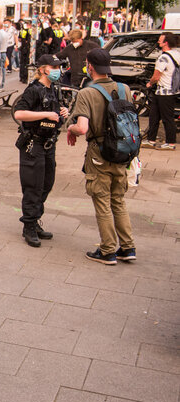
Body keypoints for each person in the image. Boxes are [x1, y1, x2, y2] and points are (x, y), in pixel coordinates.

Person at [66, 49, 136, 265]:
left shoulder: (87, 93)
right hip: (124, 151)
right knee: (118, 199)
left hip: (100, 153)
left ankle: (107, 250)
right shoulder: (125, 89)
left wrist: (71, 128)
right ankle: (128, 247)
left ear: (91, 67)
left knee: (102, 200)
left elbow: (83, 128)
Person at [14, 55, 68, 247]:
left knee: (47, 183)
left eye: (58, 66)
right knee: (33, 185)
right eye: (53, 67)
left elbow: (55, 114)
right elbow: (19, 113)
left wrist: (62, 113)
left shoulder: (53, 88)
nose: (57, 70)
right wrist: (45, 114)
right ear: (43, 69)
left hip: (48, 143)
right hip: (33, 144)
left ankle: (35, 219)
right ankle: (28, 225)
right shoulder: (33, 89)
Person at [143, 32, 180, 151]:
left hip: (165, 92)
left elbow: (156, 76)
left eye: (160, 40)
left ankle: (170, 143)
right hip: (168, 91)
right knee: (154, 116)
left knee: (167, 118)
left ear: (166, 43)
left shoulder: (163, 57)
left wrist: (150, 83)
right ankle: (151, 140)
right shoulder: (177, 54)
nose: (158, 41)